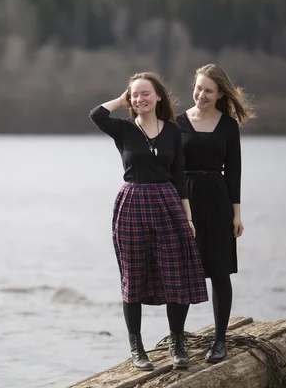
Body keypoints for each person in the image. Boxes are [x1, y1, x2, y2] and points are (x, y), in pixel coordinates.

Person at [89, 72, 208, 371]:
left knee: (176, 274)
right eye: (135, 95)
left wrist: (188, 216)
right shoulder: (123, 130)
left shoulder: (173, 131)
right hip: (132, 204)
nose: (140, 99)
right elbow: (96, 114)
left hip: (167, 202)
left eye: (146, 94)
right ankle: (136, 347)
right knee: (134, 277)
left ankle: (177, 342)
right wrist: (119, 100)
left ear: (158, 97)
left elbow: (179, 176)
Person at [175, 64, 255, 363]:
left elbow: (234, 171)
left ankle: (219, 342)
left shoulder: (228, 126)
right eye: (198, 88)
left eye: (209, 90)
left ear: (221, 93)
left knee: (220, 272)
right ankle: (178, 342)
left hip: (219, 199)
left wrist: (237, 214)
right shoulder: (177, 122)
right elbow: (171, 168)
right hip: (185, 199)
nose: (201, 94)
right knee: (183, 272)